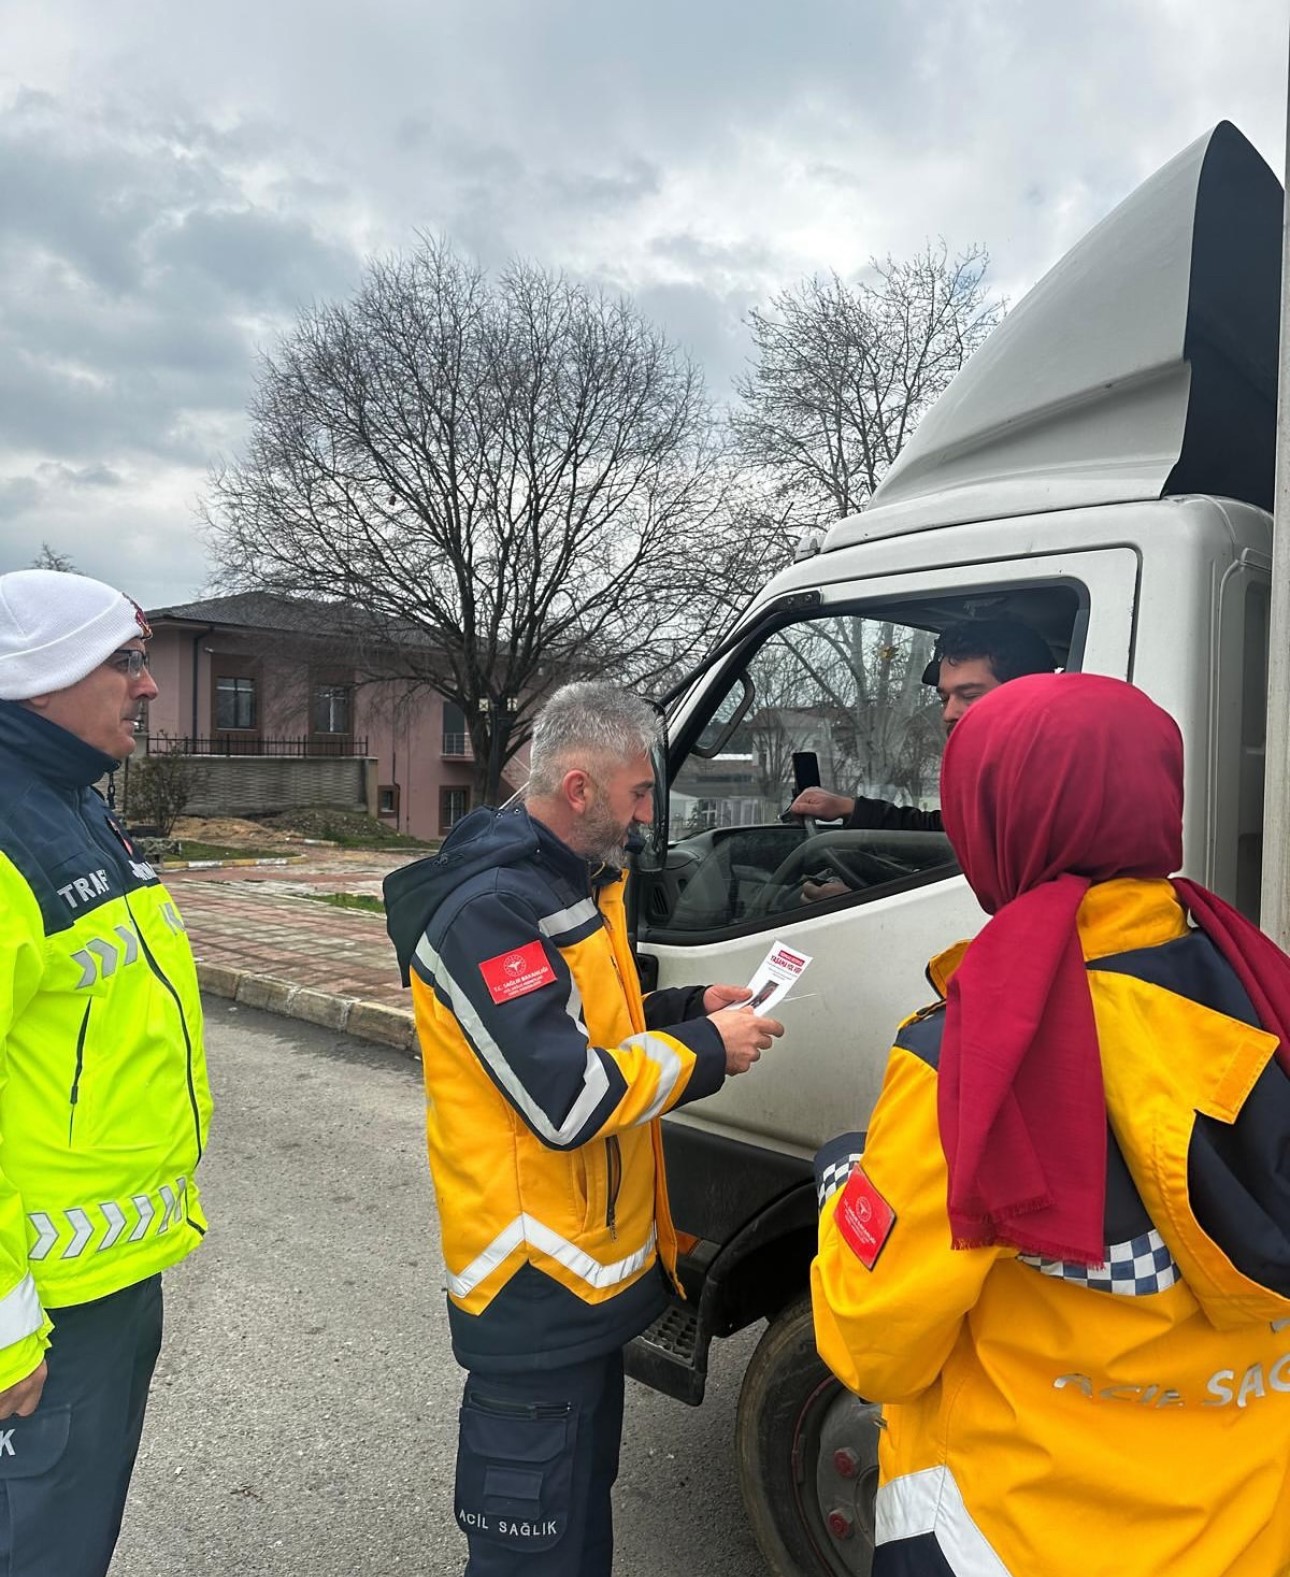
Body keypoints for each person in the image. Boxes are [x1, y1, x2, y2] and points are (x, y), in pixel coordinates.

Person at [810, 673, 1290, 1575]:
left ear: (999, 824)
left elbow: (873, 1342)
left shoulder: (972, 1057)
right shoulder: (1267, 1007)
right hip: (1249, 1531)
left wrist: (846, 1186)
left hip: (1015, 1537)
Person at [383, 682, 782, 1576]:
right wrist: (705, 1051)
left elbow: (592, 1022)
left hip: (587, 1280)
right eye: (640, 795)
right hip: (532, 1292)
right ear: (578, 789)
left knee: (575, 1527)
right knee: (533, 1550)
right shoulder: (491, 910)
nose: (650, 816)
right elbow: (566, 1098)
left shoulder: (570, 880)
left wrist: (685, 1008)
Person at [0, 569, 213, 1577]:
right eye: (123, 662)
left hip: (115, 1275)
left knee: (75, 1539)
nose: (150, 685)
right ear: (38, 680)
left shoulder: (75, 807)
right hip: (44, 1304)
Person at [788, 616, 1055, 835]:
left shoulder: (1056, 790)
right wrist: (849, 808)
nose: (949, 713)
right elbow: (948, 832)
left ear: (1029, 693)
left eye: (970, 696)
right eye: (944, 698)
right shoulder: (1003, 778)